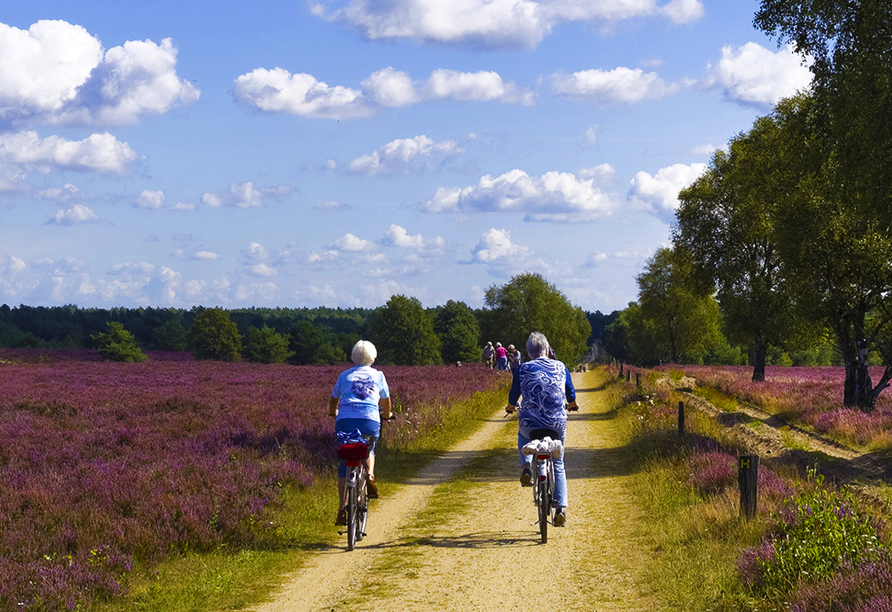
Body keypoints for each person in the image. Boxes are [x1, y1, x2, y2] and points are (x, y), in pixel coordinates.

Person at [505, 332, 578, 526]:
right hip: (556, 423)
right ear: (547, 349)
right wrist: (572, 404)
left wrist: (511, 407)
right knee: (558, 462)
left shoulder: (522, 369)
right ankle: (561, 507)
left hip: (530, 423)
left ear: (528, 353)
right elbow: (570, 392)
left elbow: (514, 395)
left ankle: (527, 466)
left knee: (523, 436)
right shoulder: (561, 366)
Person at [329, 340, 392, 526]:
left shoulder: (344, 376)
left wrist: (333, 413)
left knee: (344, 460)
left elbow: (333, 400)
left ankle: (342, 507)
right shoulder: (378, 375)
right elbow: (386, 401)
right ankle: (370, 475)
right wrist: (387, 415)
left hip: (345, 420)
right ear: (373, 356)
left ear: (353, 356)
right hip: (369, 420)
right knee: (369, 449)